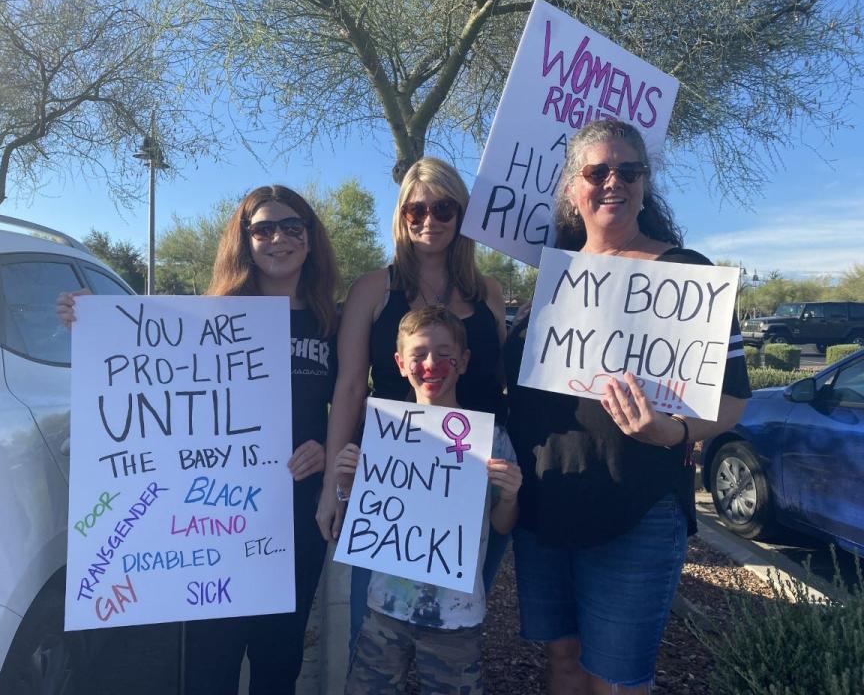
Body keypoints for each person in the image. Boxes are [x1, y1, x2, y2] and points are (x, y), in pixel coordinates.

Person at [57, 185, 339, 695]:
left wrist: (324, 446)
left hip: (293, 512)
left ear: (311, 237)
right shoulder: (206, 319)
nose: (279, 238)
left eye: (293, 226)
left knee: (280, 658)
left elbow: (346, 403)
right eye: (264, 229)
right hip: (209, 522)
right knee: (210, 662)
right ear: (245, 240)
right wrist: (90, 321)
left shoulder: (328, 322)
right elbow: (140, 358)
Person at [503, 120, 751, 695]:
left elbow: (734, 400)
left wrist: (672, 431)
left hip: (635, 508)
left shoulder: (687, 274)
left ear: (645, 181)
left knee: (615, 678)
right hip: (545, 508)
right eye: (596, 172)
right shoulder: (554, 280)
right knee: (563, 660)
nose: (613, 182)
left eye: (628, 170)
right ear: (573, 188)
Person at [314, 157, 509, 647]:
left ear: (462, 214)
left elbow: (496, 378)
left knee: (454, 628)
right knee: (374, 625)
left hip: (470, 476)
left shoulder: (488, 292)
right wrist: (332, 490)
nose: (429, 220)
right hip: (392, 480)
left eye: (443, 208)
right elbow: (351, 389)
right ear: (401, 215)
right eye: (416, 210)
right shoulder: (373, 290)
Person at [335, 306, 522, 694]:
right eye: (418, 355)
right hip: (383, 609)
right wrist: (347, 482)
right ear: (401, 364)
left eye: (443, 352)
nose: (431, 364)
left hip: (456, 617)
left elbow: (503, 524)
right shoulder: (380, 434)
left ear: (463, 361)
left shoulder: (491, 441)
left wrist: (511, 494)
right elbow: (364, 520)